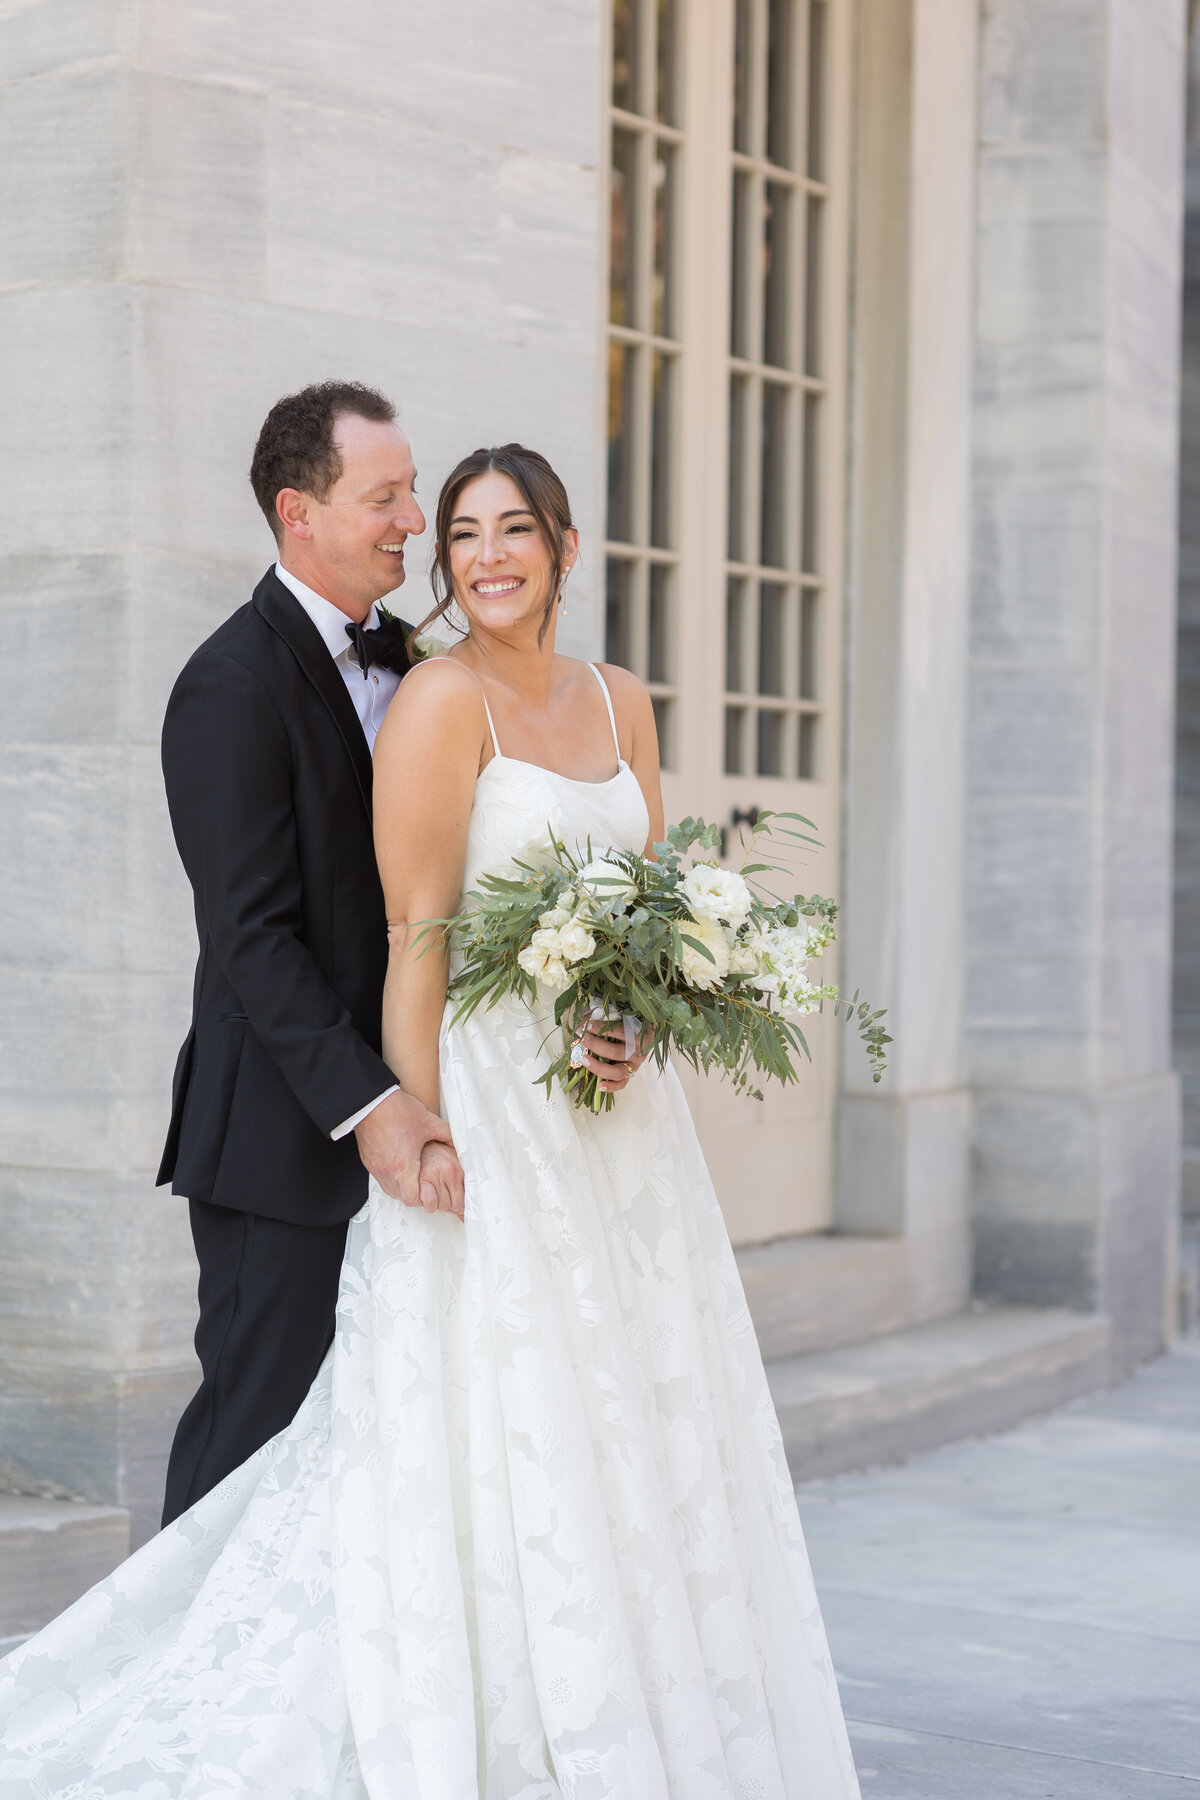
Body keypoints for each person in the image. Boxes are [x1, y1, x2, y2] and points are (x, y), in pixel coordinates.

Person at [0, 443, 860, 1798]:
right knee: (494, 1409)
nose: (484, 555)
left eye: (514, 528)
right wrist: (420, 1123)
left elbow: (642, 897)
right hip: (493, 1104)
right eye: (461, 533)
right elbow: (420, 937)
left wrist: (633, 1014)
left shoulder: (624, 700)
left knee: (632, 1404)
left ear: (566, 544)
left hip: (622, 1127)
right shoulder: (439, 702)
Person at [154, 381, 633, 1526]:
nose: (415, 522)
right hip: (289, 1132)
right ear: (297, 512)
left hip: (450, 1111)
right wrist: (375, 1105)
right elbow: (253, 941)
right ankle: (190, 1690)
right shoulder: (227, 686)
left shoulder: (426, 665)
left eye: (414, 491)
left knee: (381, 1466)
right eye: (389, 497)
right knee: (252, 1457)